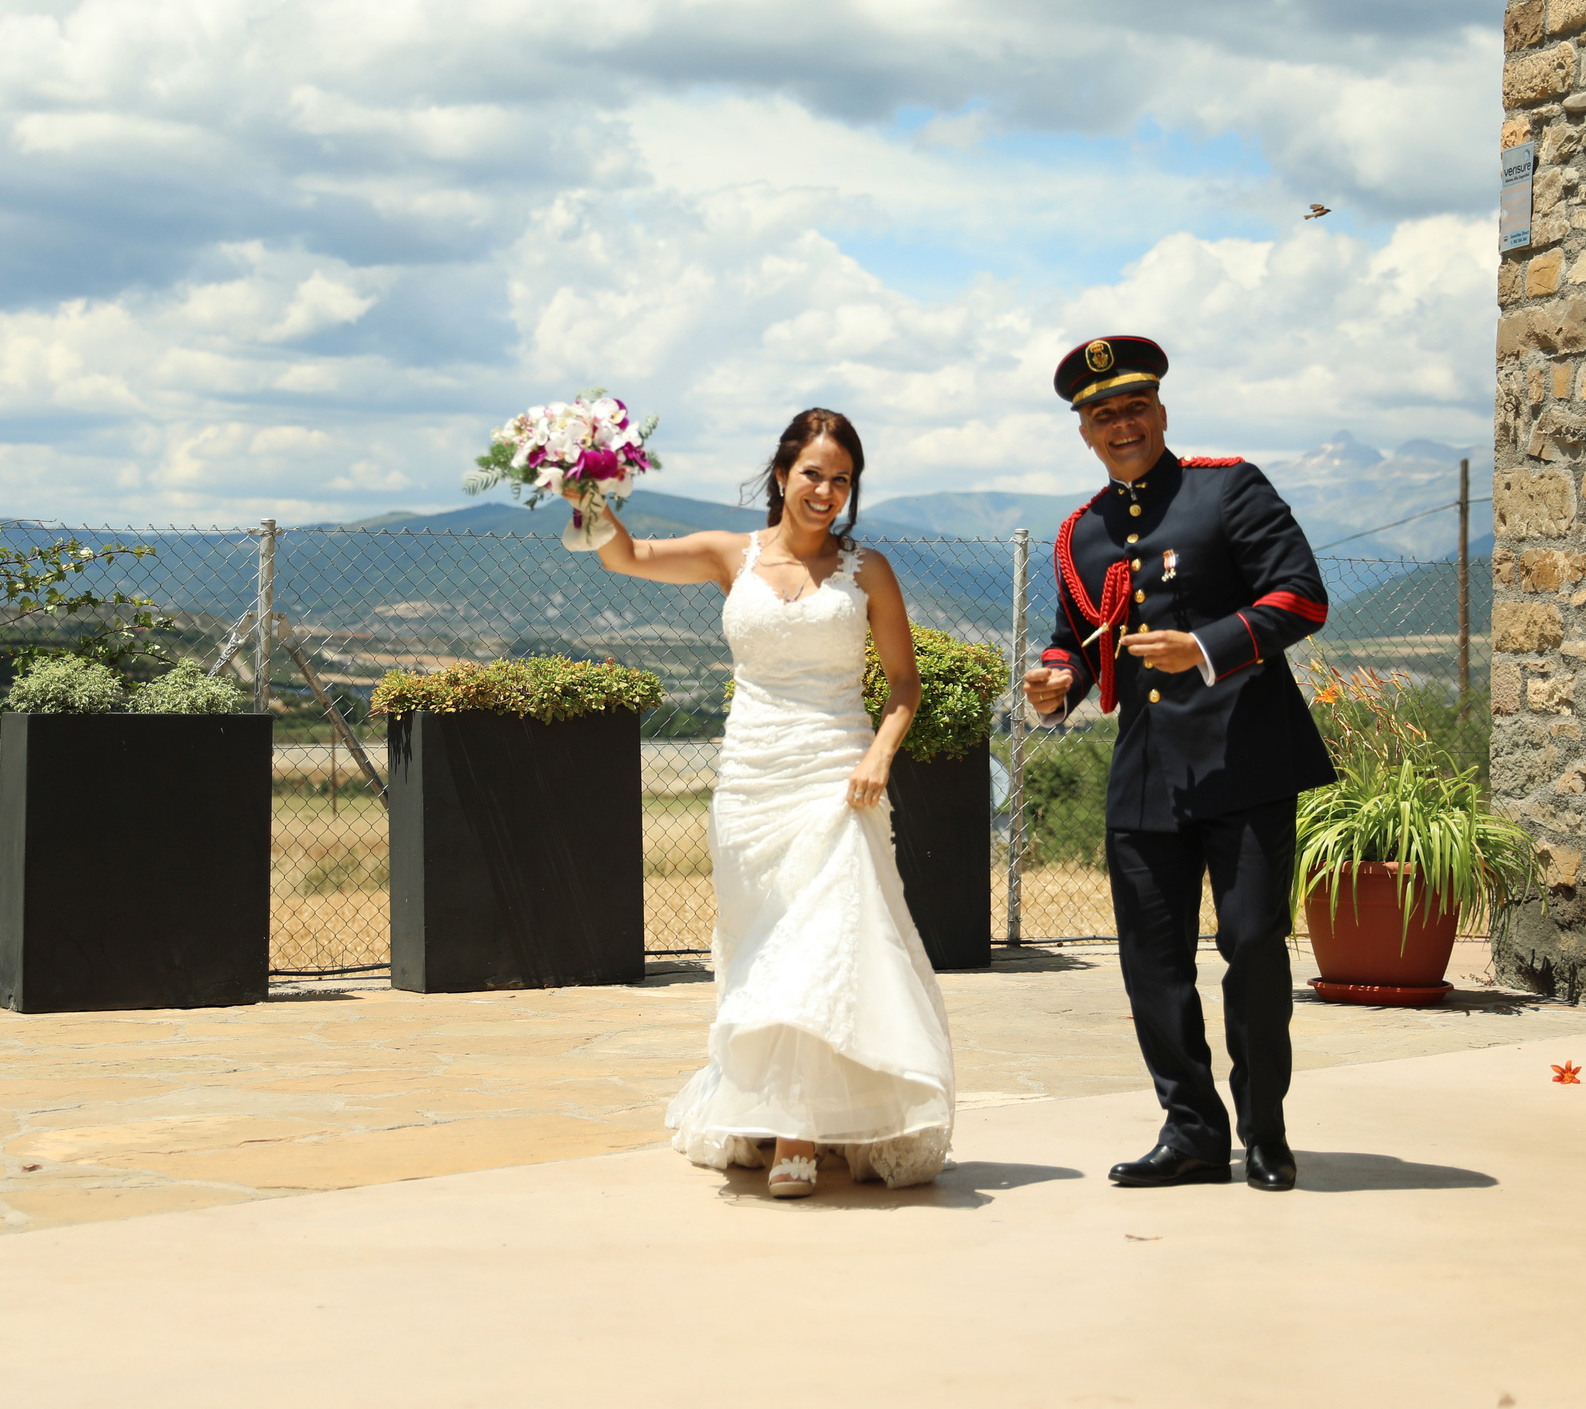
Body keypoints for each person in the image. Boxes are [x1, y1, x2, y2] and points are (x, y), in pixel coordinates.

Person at [571, 407, 954, 1198]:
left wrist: (881, 752)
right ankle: (781, 1103)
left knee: (825, 949)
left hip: (836, 778)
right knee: (765, 952)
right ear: (781, 474)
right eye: (813, 472)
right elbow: (628, 557)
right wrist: (584, 492)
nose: (826, 490)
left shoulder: (868, 570)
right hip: (749, 785)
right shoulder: (727, 555)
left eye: (842, 479)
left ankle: (800, 1134)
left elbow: (904, 684)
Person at [1020, 337, 1333, 1193]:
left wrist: (1204, 645)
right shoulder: (1079, 533)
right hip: (1148, 773)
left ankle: (1264, 1131)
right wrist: (1060, 679)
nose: (1120, 425)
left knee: (1253, 946)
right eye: (1101, 415)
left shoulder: (1227, 487)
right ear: (1083, 431)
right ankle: (1193, 1129)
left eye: (1133, 408)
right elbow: (1078, 633)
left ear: (1160, 411)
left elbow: (1302, 593)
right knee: (1151, 963)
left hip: (1246, 757)